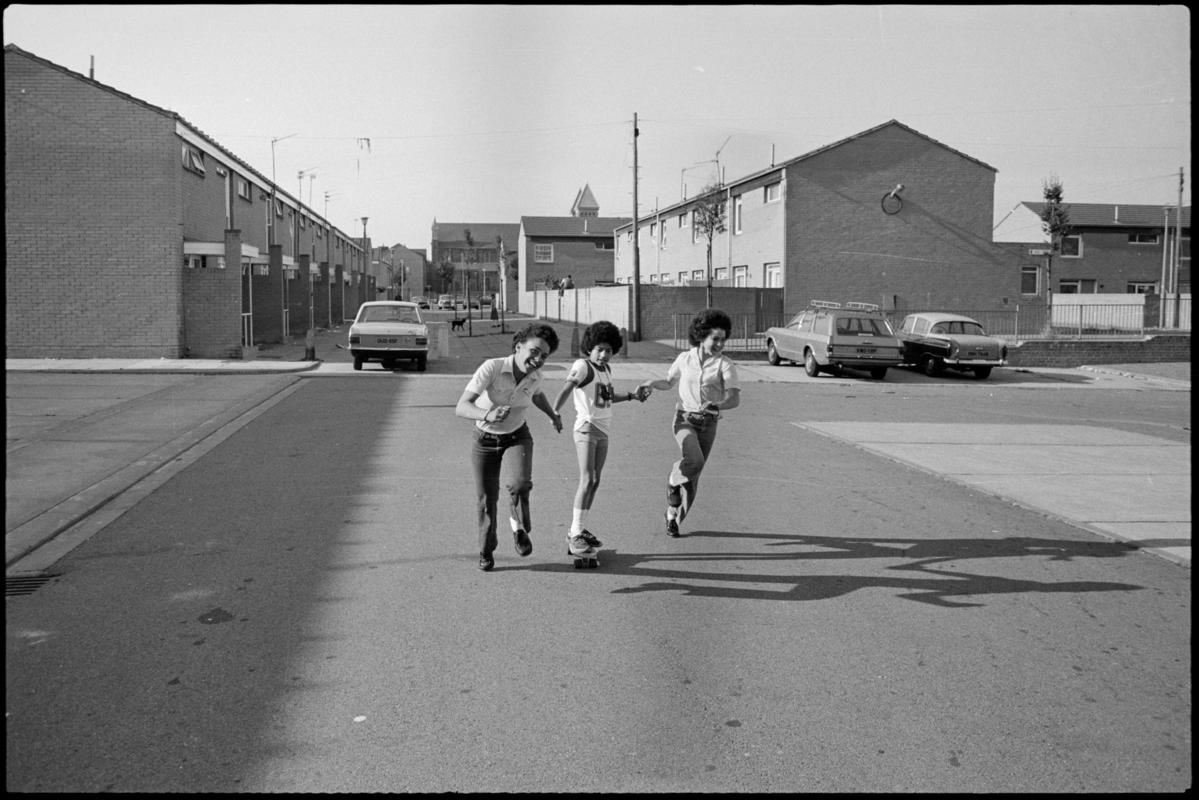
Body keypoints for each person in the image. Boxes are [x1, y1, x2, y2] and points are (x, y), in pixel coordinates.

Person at [455, 323, 563, 570]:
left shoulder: (536, 376)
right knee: (486, 499)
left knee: (520, 484)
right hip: (485, 439)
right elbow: (461, 406)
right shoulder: (492, 367)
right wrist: (487, 414)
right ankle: (486, 548)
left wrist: (552, 414)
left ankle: (519, 527)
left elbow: (536, 394)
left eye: (544, 356)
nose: (538, 359)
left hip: (517, 435)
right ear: (518, 347)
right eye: (534, 351)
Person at [636, 308, 741, 537]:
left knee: (694, 473)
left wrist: (717, 405)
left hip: (709, 423)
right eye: (715, 339)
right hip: (684, 419)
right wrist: (652, 383)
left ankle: (673, 516)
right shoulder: (685, 359)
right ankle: (673, 478)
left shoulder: (725, 364)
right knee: (693, 460)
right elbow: (668, 382)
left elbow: (734, 398)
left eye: (723, 339)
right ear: (702, 336)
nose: (720, 344)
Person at [551, 321, 649, 556]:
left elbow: (606, 396)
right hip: (586, 427)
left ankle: (580, 528)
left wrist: (631, 396)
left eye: (608, 350)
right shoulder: (583, 366)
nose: (604, 354)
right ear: (589, 348)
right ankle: (574, 532)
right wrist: (554, 411)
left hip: (603, 430)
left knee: (595, 480)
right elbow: (567, 387)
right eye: (599, 349)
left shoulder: (606, 370)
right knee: (587, 479)